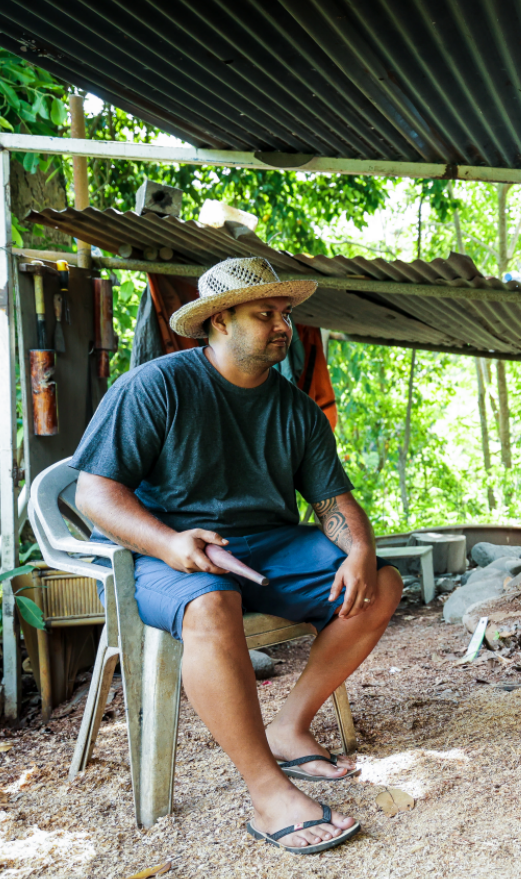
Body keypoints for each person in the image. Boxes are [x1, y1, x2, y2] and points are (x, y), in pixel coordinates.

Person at [71, 257, 402, 855]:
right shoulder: (156, 386)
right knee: (213, 601)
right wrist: (170, 542)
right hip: (161, 552)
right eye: (265, 314)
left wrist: (358, 549)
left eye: (285, 314)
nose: (283, 326)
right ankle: (266, 789)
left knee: (381, 580)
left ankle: (289, 725)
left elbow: (334, 501)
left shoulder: (296, 410)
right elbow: (95, 493)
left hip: (264, 549)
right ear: (219, 322)